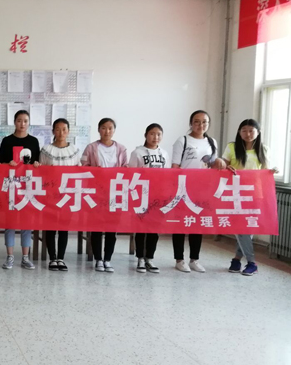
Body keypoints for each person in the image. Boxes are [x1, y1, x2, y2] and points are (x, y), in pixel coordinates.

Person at [220, 119, 275, 277]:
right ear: (239, 132)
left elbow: (265, 172)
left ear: (258, 132)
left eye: (251, 130)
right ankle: (250, 262)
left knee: (247, 228)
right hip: (236, 193)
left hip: (255, 194)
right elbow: (223, 165)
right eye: (244, 130)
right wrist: (225, 166)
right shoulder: (232, 147)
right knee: (240, 228)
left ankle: (238, 260)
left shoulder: (263, 149)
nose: (248, 133)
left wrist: (272, 172)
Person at [171, 110, 219, 273]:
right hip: (183, 188)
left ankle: (194, 259)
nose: (201, 125)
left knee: (197, 223)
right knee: (180, 224)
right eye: (197, 121)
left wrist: (220, 162)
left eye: (204, 122)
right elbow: (175, 166)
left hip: (202, 189)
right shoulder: (183, 140)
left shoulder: (212, 142)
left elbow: (213, 165)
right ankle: (179, 259)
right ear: (191, 123)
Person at [81, 117, 128, 273]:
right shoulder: (91, 147)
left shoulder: (121, 149)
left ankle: (108, 259)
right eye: (103, 128)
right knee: (96, 227)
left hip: (115, 193)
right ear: (98, 130)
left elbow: (125, 169)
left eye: (110, 128)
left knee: (111, 228)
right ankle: (98, 259)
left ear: (114, 130)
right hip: (96, 193)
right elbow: (84, 167)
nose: (107, 131)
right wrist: (97, 172)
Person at [0, 109, 41, 270]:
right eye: (19, 120)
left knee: (26, 222)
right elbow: (0, 162)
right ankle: (9, 256)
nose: (22, 124)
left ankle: (25, 257)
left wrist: (36, 164)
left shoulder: (34, 141)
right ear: (14, 122)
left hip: (27, 186)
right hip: (11, 186)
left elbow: (38, 162)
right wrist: (7, 164)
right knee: (10, 222)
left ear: (29, 123)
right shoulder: (7, 140)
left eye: (25, 121)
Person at [39, 118, 81, 271]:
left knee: (64, 227)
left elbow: (79, 171)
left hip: (67, 195)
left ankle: (61, 258)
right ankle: (52, 258)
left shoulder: (74, 150)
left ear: (68, 131)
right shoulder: (46, 150)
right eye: (57, 129)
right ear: (53, 131)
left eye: (64, 129)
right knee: (50, 226)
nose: (61, 132)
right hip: (50, 194)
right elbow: (41, 171)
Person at [128, 123, 170, 274]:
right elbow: (131, 175)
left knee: (154, 229)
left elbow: (167, 175)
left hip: (158, 197)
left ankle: (150, 258)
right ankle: (140, 258)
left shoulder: (164, 154)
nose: (155, 137)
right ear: (146, 135)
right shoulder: (137, 153)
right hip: (142, 195)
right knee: (140, 228)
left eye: (159, 134)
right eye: (152, 134)